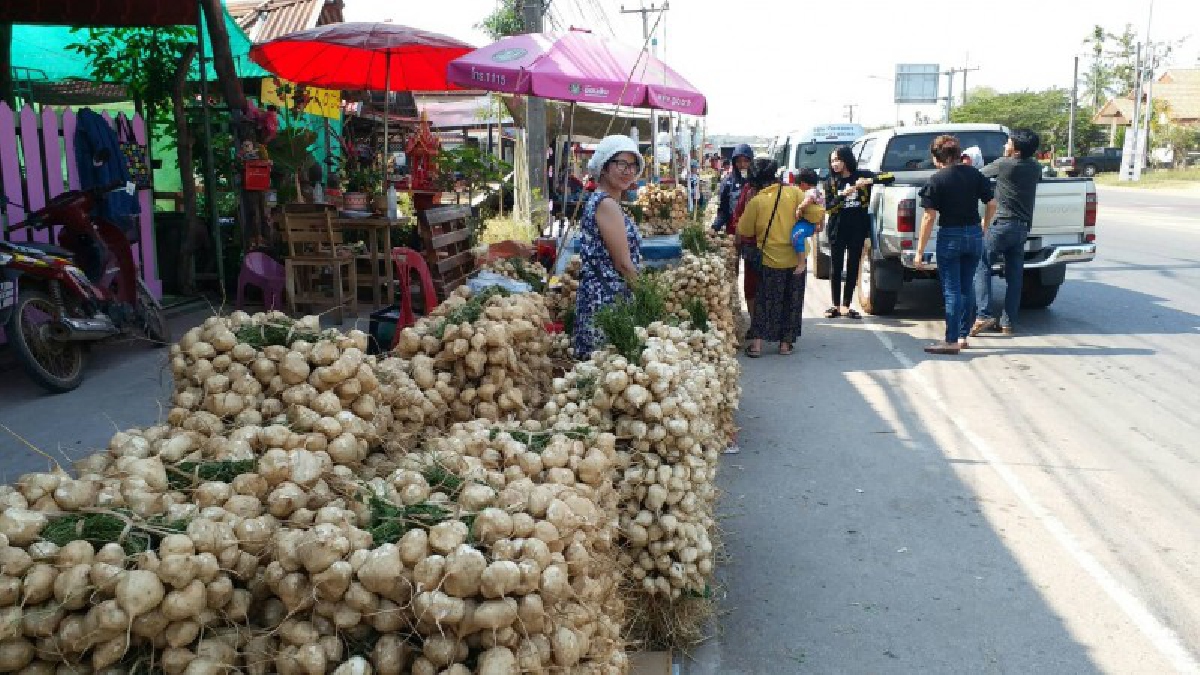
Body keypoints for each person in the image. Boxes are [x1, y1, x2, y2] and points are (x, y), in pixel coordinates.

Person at [915, 135, 997, 355]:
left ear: (936, 156)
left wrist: (920, 251)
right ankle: (962, 336)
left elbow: (929, 217)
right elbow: (992, 203)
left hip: (950, 237)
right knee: (966, 287)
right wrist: (984, 225)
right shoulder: (974, 174)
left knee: (952, 291)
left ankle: (951, 341)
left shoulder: (936, 180)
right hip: (974, 235)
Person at [738, 158, 822, 357]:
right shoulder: (794, 193)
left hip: (770, 259)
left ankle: (757, 346)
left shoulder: (757, 201)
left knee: (765, 302)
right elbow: (816, 215)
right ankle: (785, 345)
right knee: (791, 301)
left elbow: (744, 229)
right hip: (796, 259)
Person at [573, 135, 644, 359]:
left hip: (600, 297)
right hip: (606, 302)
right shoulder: (606, 204)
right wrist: (646, 295)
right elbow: (623, 264)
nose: (628, 170)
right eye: (621, 163)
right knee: (606, 371)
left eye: (633, 165)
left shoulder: (603, 201)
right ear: (604, 166)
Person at [971, 129, 1042, 337]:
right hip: (1022, 227)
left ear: (1016, 149)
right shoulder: (1035, 167)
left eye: (1008, 143)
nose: (1005, 146)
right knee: (1015, 276)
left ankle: (983, 315)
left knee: (982, 265)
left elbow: (978, 175)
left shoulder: (1004, 164)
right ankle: (1007, 323)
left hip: (1002, 224)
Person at [824, 146, 894, 319]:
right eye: (832, 161)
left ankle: (846, 305)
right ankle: (835, 304)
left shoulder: (861, 175)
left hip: (857, 228)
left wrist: (868, 182)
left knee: (853, 265)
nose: (835, 164)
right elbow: (829, 206)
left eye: (837, 160)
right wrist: (843, 195)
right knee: (836, 267)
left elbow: (889, 177)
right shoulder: (831, 181)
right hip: (837, 228)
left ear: (846, 160)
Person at [713, 144, 753, 232]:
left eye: (746, 161)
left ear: (751, 161)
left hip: (753, 232)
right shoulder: (728, 181)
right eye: (738, 161)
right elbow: (723, 209)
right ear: (734, 163)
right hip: (733, 229)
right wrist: (715, 226)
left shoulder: (756, 181)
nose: (742, 164)